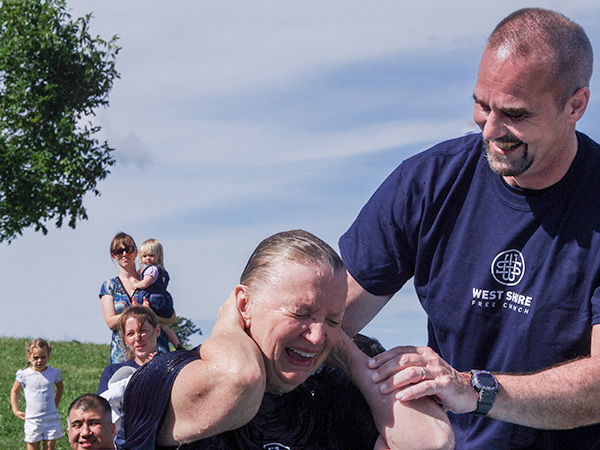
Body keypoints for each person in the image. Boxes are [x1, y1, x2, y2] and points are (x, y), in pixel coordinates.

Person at [339, 7, 600, 449]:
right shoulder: (427, 183)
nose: (491, 129)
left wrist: (474, 389)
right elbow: (328, 318)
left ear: (575, 106)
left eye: (515, 114)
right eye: (482, 105)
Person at [115, 230, 454, 449]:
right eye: (301, 314)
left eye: (333, 319)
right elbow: (239, 381)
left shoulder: (334, 388)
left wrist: (346, 351)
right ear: (244, 304)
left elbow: (432, 442)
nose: (318, 334)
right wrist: (229, 325)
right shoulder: (165, 375)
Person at [100, 232, 172, 364]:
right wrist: (135, 310)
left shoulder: (151, 278)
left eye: (129, 249)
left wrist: (150, 314)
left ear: (136, 251)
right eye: (118, 251)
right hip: (122, 355)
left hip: (155, 354)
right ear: (113, 256)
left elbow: (171, 317)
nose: (124, 254)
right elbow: (110, 322)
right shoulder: (109, 286)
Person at [10, 338, 64, 450]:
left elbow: (60, 387)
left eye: (43, 357)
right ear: (29, 357)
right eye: (35, 358)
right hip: (33, 419)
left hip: (50, 418)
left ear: (48, 357)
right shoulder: (24, 375)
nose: (39, 361)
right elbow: (15, 391)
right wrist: (15, 410)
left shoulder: (53, 373)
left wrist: (55, 403)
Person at [131, 239, 181, 350]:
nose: (147, 258)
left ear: (159, 256)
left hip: (153, 300)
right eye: (144, 256)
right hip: (164, 301)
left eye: (150, 255)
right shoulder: (163, 271)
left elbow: (145, 284)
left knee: (141, 312)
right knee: (165, 327)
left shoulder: (152, 269)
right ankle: (178, 345)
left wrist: (136, 284)